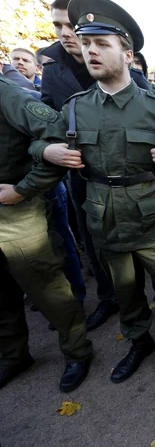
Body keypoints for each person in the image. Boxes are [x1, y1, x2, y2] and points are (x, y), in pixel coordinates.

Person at [39, 0, 155, 383]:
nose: (91, 51)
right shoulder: (76, 108)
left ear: (127, 54)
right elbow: (36, 141)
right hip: (104, 217)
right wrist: (48, 149)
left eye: (102, 44)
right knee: (124, 290)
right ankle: (139, 341)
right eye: (86, 44)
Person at [0, 72, 93, 393]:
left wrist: (24, 188)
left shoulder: (8, 95)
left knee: (48, 288)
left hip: (16, 213)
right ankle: (13, 355)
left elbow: (58, 135)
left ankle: (77, 351)